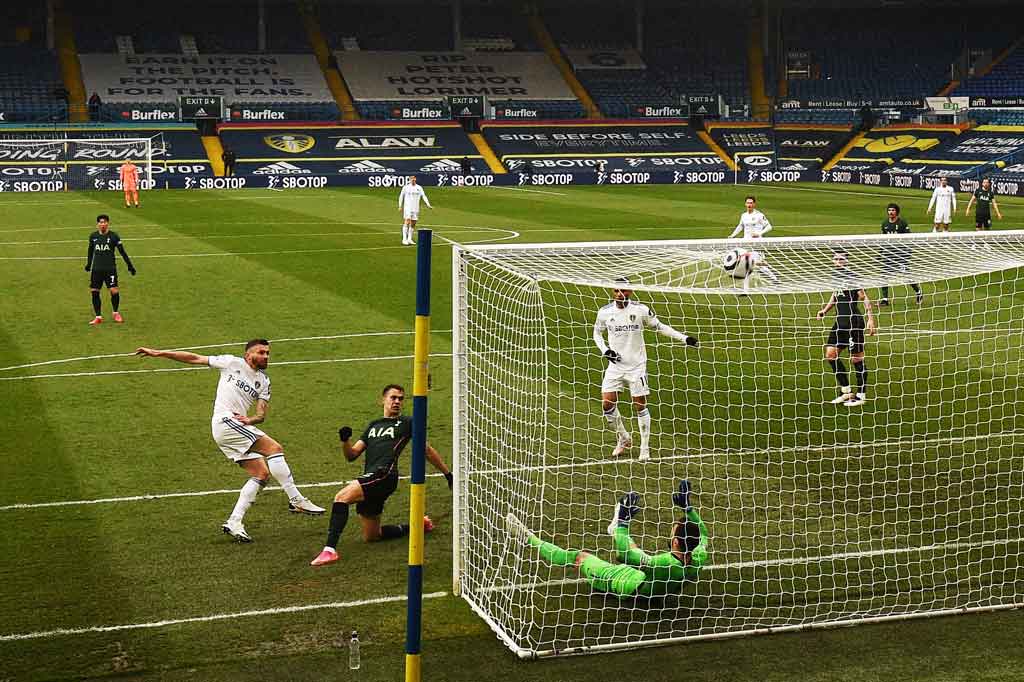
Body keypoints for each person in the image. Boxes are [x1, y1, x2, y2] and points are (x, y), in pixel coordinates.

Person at [134, 340, 325, 542]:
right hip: (225, 421)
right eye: (261, 352)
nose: (266, 356)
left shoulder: (264, 381)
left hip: (235, 427)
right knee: (274, 448)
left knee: (261, 474)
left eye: (268, 353)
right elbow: (194, 358)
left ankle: (234, 522)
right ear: (248, 355)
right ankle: (296, 499)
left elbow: (261, 415)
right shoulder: (231, 363)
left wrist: (251, 419)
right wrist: (159, 353)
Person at [310, 384, 453, 566]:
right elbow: (352, 455)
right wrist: (345, 441)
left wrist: (448, 474)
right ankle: (418, 526)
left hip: (384, 475)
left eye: (401, 399)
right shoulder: (373, 426)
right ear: (382, 400)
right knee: (372, 536)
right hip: (371, 476)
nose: (397, 402)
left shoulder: (408, 423)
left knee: (341, 497)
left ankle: (329, 551)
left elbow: (426, 450)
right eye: (393, 398)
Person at [506, 479, 709, 598]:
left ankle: (527, 538)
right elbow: (703, 534)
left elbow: (623, 555)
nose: (671, 532)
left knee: (580, 557)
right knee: (636, 550)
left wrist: (623, 524)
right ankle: (615, 529)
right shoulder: (698, 558)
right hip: (649, 582)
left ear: (675, 542)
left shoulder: (664, 563)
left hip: (624, 584)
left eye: (673, 531)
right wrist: (688, 509)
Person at [594, 279, 698, 460]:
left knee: (639, 405)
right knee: (607, 404)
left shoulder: (640, 310)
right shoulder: (604, 312)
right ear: (612, 292)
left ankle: (644, 448)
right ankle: (624, 438)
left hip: (637, 367)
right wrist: (606, 351)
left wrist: (684, 338)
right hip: (615, 366)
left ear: (630, 291)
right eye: (617, 291)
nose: (621, 294)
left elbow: (660, 326)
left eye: (624, 291)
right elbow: (597, 333)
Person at [817, 250, 877, 407]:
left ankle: (861, 395)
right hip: (840, 322)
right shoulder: (834, 276)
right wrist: (825, 310)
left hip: (853, 322)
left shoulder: (852, 277)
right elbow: (835, 296)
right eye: (836, 259)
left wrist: (870, 319)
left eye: (841, 259)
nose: (838, 261)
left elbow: (864, 298)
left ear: (846, 261)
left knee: (856, 358)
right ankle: (846, 391)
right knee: (831, 354)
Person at [85, 214, 135, 325]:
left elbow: (122, 252)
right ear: (97, 224)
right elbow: (90, 251)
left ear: (108, 223)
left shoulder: (114, 236)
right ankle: (98, 317)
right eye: (100, 222)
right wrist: (89, 264)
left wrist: (130, 265)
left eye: (104, 222)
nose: (102, 224)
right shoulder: (93, 236)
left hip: (110, 269)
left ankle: (115, 313)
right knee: (94, 291)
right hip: (96, 269)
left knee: (114, 290)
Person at [728, 195, 779, 291]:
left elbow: (769, 227)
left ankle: (775, 279)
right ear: (745, 204)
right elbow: (740, 226)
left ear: (754, 204)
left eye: (751, 203)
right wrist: (732, 235)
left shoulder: (759, 215)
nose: (749, 205)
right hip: (745, 242)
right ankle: (744, 287)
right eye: (747, 203)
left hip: (756, 243)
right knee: (745, 262)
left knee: (757, 264)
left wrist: (759, 233)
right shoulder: (743, 215)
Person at [879, 202, 923, 306]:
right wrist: (880, 252)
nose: (891, 212)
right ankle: (885, 300)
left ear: (897, 212)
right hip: (888, 254)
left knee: (906, 276)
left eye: (893, 210)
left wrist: (907, 253)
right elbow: (883, 239)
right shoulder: (885, 224)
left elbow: (908, 239)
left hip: (900, 254)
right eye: (889, 210)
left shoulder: (902, 223)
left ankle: (918, 292)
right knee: (884, 275)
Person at [398, 175, 431, 245]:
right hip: (408, 207)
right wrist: (400, 206)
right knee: (407, 221)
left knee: (413, 223)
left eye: (414, 179)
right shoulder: (406, 187)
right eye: (411, 179)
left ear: (415, 179)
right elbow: (401, 196)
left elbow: (424, 196)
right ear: (409, 180)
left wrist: (428, 204)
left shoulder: (419, 188)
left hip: (415, 208)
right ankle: (404, 239)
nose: (413, 180)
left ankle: (409, 238)